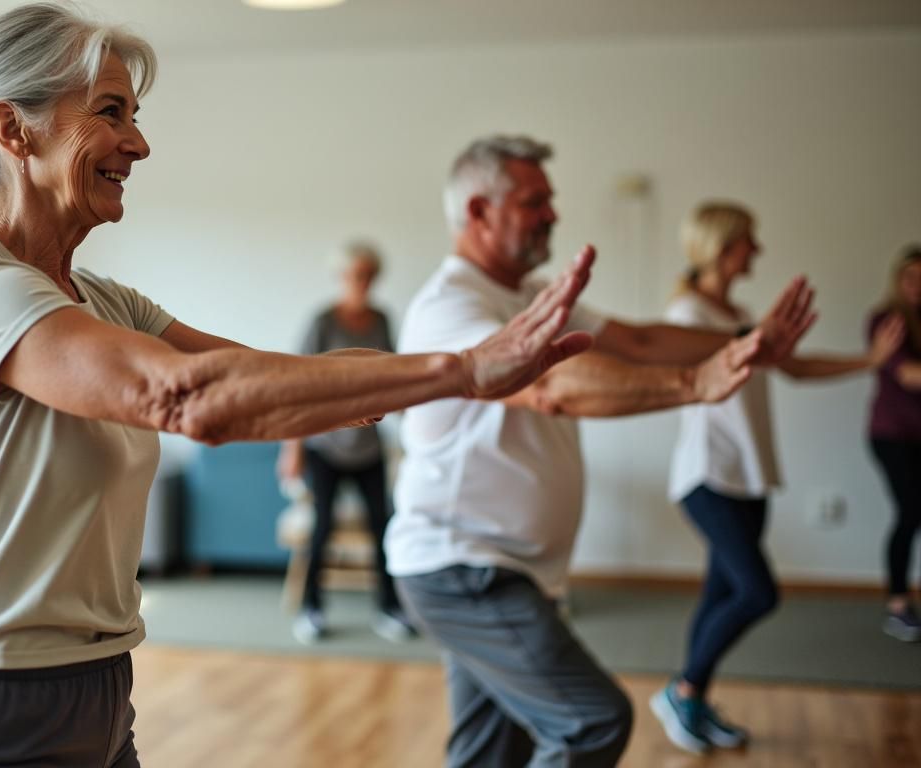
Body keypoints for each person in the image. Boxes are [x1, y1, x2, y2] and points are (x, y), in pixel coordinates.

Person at [0, 7, 599, 766]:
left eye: (134, 116)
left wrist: (469, 371)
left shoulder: (104, 302)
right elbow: (189, 399)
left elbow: (279, 377)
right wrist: (463, 371)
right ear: (16, 131)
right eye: (110, 113)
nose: (138, 143)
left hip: (96, 690)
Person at [386, 136, 818, 768]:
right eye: (536, 202)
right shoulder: (451, 305)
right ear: (478, 212)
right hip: (462, 568)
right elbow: (551, 388)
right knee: (591, 721)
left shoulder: (532, 296)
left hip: (505, 568)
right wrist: (695, 384)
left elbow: (638, 341)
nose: (553, 215)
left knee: (491, 751)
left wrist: (747, 339)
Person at [649, 201, 904, 754]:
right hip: (708, 475)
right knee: (757, 592)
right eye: (749, 242)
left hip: (749, 475)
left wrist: (868, 362)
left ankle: (692, 701)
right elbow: (691, 370)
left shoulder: (734, 311)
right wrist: (758, 335)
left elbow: (792, 366)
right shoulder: (689, 315)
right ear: (723, 248)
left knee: (721, 591)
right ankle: (682, 689)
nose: (757, 252)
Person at [277, 242, 414, 644]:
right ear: (342, 277)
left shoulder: (382, 320)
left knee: (382, 527)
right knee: (322, 530)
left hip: (369, 447)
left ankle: (390, 608)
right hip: (325, 447)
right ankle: (312, 609)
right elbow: (294, 384)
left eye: (369, 274)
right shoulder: (321, 322)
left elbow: (392, 375)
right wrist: (293, 450)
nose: (362, 282)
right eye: (356, 274)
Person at [868, 244, 921, 643]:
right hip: (892, 435)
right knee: (909, 511)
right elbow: (908, 375)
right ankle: (898, 604)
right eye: (911, 277)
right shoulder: (886, 321)